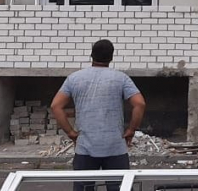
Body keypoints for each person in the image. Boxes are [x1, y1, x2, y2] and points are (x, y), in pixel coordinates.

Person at [51, 39, 146, 191]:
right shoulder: (121, 78)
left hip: (85, 147)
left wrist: (71, 133)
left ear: (91, 55)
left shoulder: (74, 78)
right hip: (115, 147)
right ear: (111, 57)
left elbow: (56, 106)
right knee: (120, 187)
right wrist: (131, 130)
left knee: (84, 187)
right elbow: (139, 103)